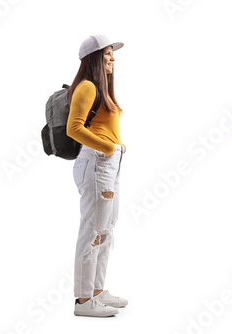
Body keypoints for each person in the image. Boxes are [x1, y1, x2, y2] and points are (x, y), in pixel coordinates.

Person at [66, 34, 128, 317]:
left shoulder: (100, 89)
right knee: (92, 230)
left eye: (112, 54)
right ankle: (83, 301)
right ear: (93, 58)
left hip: (109, 162)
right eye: (107, 54)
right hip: (96, 163)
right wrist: (106, 147)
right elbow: (74, 128)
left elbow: (102, 125)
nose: (113, 58)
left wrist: (118, 147)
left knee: (106, 229)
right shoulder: (87, 87)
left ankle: (97, 291)